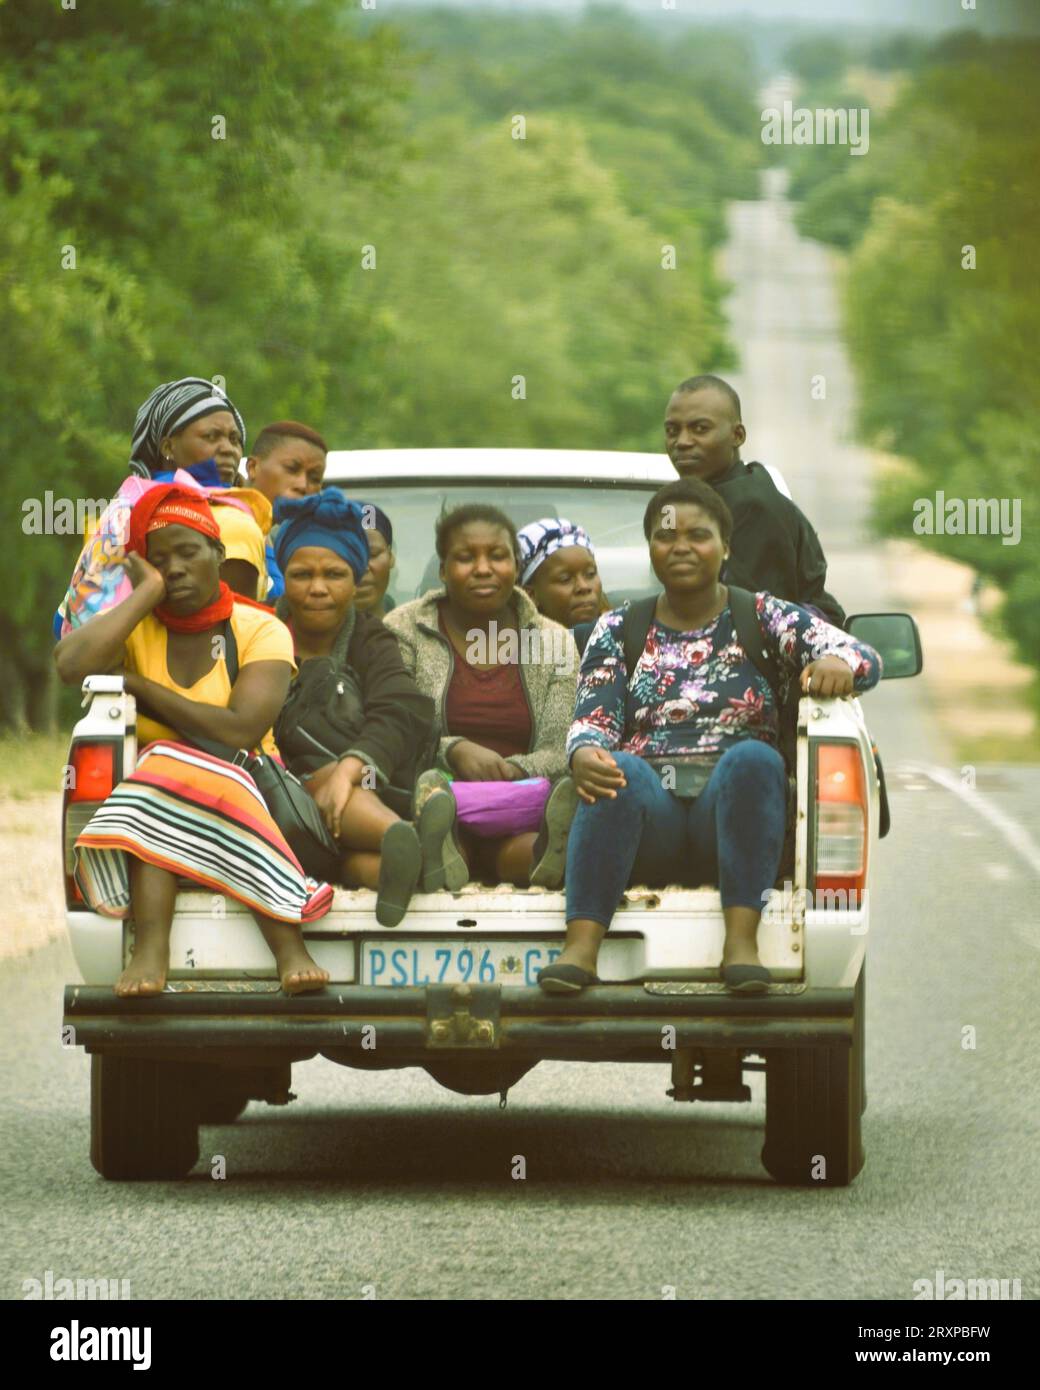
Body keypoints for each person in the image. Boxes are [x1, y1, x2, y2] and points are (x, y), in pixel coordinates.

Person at [537, 478, 881, 997]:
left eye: (698, 535)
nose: (680, 547)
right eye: (665, 535)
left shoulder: (762, 615)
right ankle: (581, 947)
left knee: (753, 759)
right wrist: (583, 752)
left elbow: (864, 656)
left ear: (726, 548)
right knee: (618, 768)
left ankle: (740, 944)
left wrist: (837, 662)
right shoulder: (617, 627)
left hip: (733, 815)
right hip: (652, 819)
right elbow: (594, 718)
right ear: (650, 546)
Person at [53, 485, 332, 998]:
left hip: (249, 791)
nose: (176, 568)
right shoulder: (136, 630)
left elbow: (238, 729)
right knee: (161, 771)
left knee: (162, 766)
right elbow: (69, 666)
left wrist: (138, 687)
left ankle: (152, 948)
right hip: (156, 816)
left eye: (188, 553)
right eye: (161, 561)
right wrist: (144, 596)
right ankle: (286, 948)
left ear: (218, 555)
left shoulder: (259, 629)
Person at [384, 504, 580, 892]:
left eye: (497, 555)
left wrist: (511, 773)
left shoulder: (554, 640)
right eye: (465, 557)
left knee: (525, 838)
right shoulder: (403, 630)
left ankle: (542, 855)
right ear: (442, 571)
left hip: (523, 800)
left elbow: (563, 746)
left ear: (517, 565)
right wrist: (452, 750)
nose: (483, 568)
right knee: (437, 809)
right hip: (436, 793)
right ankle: (448, 849)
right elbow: (395, 728)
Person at [272, 490, 435, 927]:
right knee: (316, 785)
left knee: (348, 859)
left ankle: (399, 854)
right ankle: (407, 842)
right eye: (302, 574)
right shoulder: (258, 633)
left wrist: (349, 768)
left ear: (356, 575)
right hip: (279, 808)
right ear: (282, 576)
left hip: (356, 804)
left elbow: (401, 708)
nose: (318, 587)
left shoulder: (371, 638)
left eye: (335, 574)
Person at [663, 374, 845, 625]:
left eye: (700, 429)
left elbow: (748, 618)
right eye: (672, 430)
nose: (681, 442)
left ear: (737, 435)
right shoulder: (693, 499)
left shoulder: (750, 506)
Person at [243, 421, 329, 602]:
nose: (303, 486)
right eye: (291, 469)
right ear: (253, 468)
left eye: (314, 478)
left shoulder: (272, 538)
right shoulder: (230, 529)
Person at [130, 376, 247, 486]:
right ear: (168, 448)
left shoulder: (237, 502)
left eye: (234, 439)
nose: (228, 449)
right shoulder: (155, 503)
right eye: (211, 436)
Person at [517, 517, 608, 655]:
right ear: (530, 595)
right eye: (565, 579)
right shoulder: (517, 656)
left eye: (590, 574)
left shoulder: (626, 637)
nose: (583, 587)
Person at [353, 504, 396, 617]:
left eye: (373, 554)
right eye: (352, 555)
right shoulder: (306, 633)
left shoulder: (414, 632)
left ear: (390, 556)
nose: (363, 568)